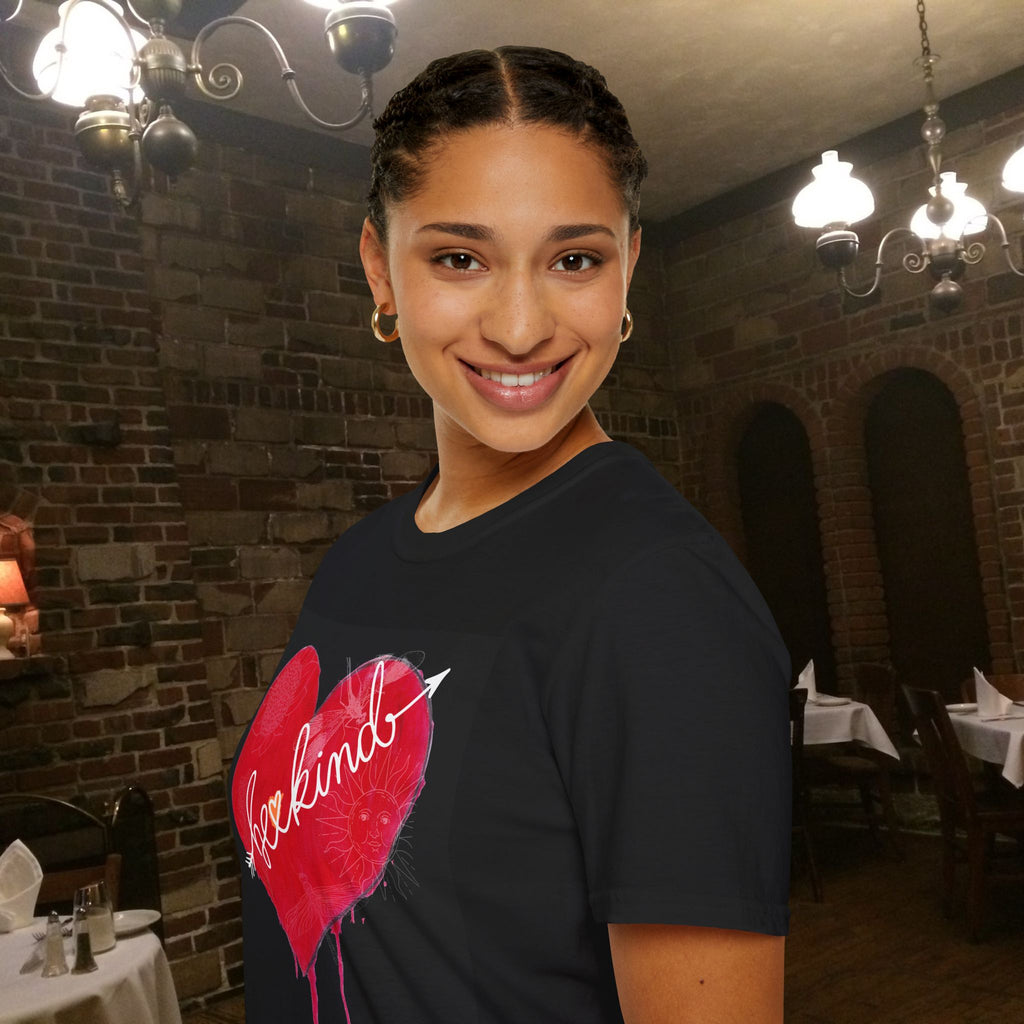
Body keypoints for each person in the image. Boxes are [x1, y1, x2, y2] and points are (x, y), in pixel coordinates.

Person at [229, 45, 791, 1024]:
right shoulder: (358, 562)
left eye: (575, 259)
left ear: (628, 269)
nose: (522, 326)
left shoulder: (659, 603)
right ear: (380, 269)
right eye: (460, 257)